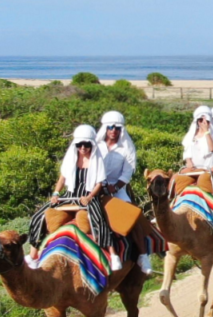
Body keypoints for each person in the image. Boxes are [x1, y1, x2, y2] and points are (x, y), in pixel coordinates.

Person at [27, 125, 120, 270]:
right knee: (39, 216)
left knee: (97, 218)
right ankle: (32, 255)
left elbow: (99, 183)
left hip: (88, 195)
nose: (83, 148)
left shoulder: (97, 159)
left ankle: (113, 255)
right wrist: (56, 194)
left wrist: (89, 197)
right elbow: (62, 179)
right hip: (70, 195)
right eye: (79, 144)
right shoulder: (71, 158)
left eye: (87, 144)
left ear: (92, 145)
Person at [97, 110, 154, 272]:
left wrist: (114, 187)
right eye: (110, 127)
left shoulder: (127, 147)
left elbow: (127, 172)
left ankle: (143, 256)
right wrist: (101, 185)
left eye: (117, 128)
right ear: (105, 129)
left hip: (117, 188)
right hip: (97, 187)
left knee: (132, 215)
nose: (113, 130)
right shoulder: (96, 146)